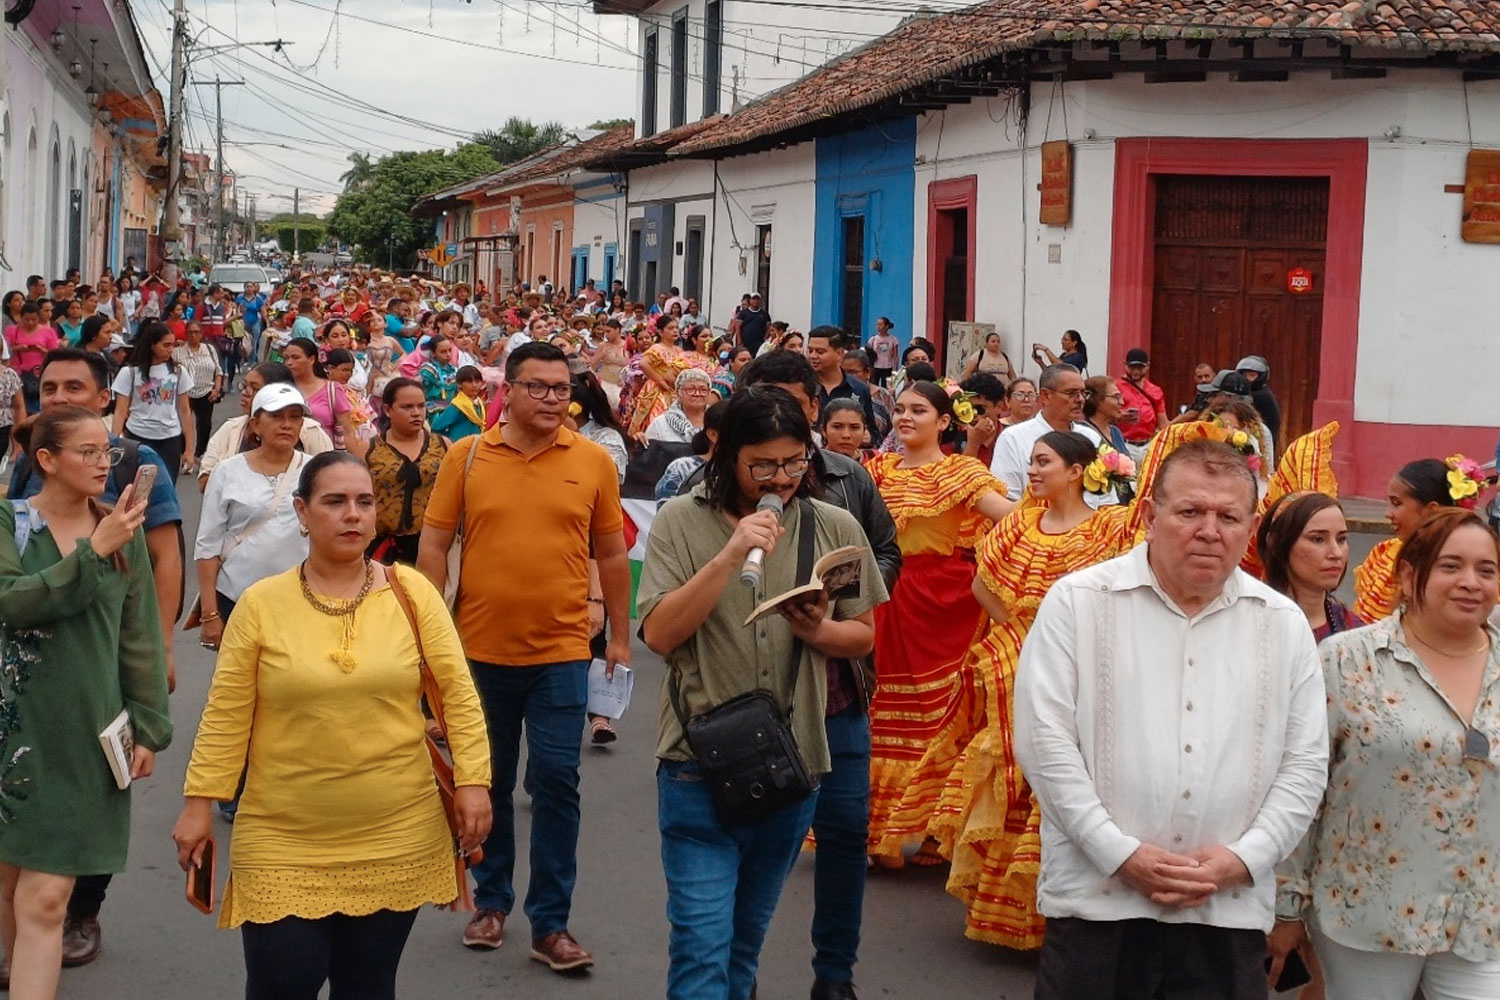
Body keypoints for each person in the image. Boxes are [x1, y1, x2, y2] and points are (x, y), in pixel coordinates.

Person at [1014, 438, 1329, 1000]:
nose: (1209, 529)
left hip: (1225, 910)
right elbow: (1046, 744)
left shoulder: (1281, 624)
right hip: (1097, 903)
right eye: (1190, 511)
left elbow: (1305, 765)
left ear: (1250, 526)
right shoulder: (1078, 603)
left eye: (1229, 516)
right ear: (1151, 513)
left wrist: (1242, 860)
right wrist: (1119, 853)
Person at [172, 452, 492, 1000]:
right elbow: (226, 714)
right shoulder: (260, 605)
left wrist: (474, 783)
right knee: (281, 984)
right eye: (335, 502)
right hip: (282, 835)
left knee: (367, 986)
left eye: (364, 502)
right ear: (302, 511)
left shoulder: (412, 594)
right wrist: (200, 803)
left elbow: (459, 696)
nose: (353, 515)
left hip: (395, 830)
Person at [639, 385, 888, 1000]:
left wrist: (819, 629)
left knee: (742, 953)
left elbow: (862, 635)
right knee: (700, 953)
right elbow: (662, 635)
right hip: (697, 766)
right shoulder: (679, 517)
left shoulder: (834, 523)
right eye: (763, 466)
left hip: (791, 763)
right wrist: (729, 555)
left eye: (794, 462)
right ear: (726, 455)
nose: (780, 478)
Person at [417, 342, 631, 972]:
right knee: (489, 780)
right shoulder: (469, 455)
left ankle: (552, 923)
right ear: (504, 391)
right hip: (476, 654)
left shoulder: (593, 460)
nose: (551, 400)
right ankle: (492, 901)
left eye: (561, 390)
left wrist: (618, 635)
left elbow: (614, 555)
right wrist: (431, 634)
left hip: (563, 652)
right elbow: (433, 546)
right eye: (537, 388)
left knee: (559, 782)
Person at [1271, 507, 1500, 1000]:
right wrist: (1286, 903)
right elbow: (1303, 785)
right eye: (1450, 566)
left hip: (1481, 919)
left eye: (1486, 570)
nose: (1470, 583)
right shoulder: (1347, 661)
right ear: (1410, 574)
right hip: (1367, 916)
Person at [0, 405, 171, 1000]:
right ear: (46, 460)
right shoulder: (9, 523)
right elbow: (13, 603)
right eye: (89, 453)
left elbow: (139, 635)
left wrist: (148, 725)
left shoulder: (122, 530)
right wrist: (92, 551)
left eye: (109, 453)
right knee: (11, 890)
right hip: (13, 733)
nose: (105, 464)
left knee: (46, 899)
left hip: (86, 738)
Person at [866, 381, 1014, 866]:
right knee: (880, 709)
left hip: (940, 602)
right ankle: (881, 830)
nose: (906, 417)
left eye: (919, 410)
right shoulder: (876, 470)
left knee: (942, 712)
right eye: (901, 409)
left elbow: (1011, 520)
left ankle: (934, 829)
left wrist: (1071, 505)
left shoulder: (960, 473)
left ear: (945, 422)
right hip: (885, 594)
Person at [194, 384, 314, 652]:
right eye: (276, 416)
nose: (286, 424)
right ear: (256, 425)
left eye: (295, 417)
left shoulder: (315, 470)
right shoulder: (227, 471)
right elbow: (207, 544)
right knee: (238, 685)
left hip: (301, 601)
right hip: (237, 598)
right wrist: (210, 613)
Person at [197, 362, 334, 490]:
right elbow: (205, 482)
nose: (245, 392)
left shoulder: (311, 432)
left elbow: (330, 482)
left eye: (254, 388)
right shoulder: (230, 429)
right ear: (255, 425)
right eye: (245, 386)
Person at [1354, 458, 1461, 622]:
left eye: (1397, 503)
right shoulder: (1383, 553)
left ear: (1431, 510)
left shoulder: (1459, 563)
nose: (1388, 513)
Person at [1257, 491, 1362, 640]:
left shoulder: (1354, 632)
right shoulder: (1247, 626)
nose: (1336, 553)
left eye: (1341, 539)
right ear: (1274, 543)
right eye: (1318, 539)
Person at [367, 378, 449, 566]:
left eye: (421, 406)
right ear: (388, 410)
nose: (416, 413)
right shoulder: (369, 450)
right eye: (407, 407)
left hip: (433, 546)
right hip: (383, 548)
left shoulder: (444, 446)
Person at [988, 364, 1094, 499]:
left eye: (1083, 393)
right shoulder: (1013, 437)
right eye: (1071, 393)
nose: (1080, 400)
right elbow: (1006, 497)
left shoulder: (1091, 437)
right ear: (1046, 396)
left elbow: (1106, 499)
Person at [111, 321, 194, 477]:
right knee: (139, 486)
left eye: (173, 345)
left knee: (166, 486)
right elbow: (120, 411)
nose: (171, 349)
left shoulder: (178, 371)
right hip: (138, 435)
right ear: (152, 345)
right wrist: (114, 443)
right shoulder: (130, 372)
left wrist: (189, 449)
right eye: (166, 345)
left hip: (170, 438)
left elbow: (185, 410)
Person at [284, 338, 361, 455]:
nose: (289, 362)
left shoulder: (332, 390)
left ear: (311, 359)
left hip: (323, 459)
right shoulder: (282, 389)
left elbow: (348, 431)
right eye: (287, 358)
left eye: (295, 358)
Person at [172, 320, 224, 476]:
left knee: (204, 424)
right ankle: (184, 454)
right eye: (190, 332)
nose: (193, 335)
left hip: (205, 390)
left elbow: (218, 371)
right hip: (184, 393)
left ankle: (199, 454)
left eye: (196, 332)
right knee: (183, 424)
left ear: (201, 334)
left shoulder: (209, 349)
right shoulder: (177, 352)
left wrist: (217, 389)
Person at [807, 327, 878, 436]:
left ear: (839, 353)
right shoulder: (803, 386)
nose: (813, 356)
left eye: (820, 352)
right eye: (810, 350)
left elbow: (873, 432)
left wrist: (868, 438)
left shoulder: (859, 388)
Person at [1116, 347, 1168, 460]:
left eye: (1140, 367)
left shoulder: (1155, 390)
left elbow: (1162, 422)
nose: (1136, 371)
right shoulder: (1115, 387)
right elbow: (1105, 415)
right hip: (1124, 444)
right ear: (1125, 365)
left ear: (1147, 366)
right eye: (1132, 367)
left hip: (1148, 444)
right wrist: (1121, 416)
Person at [7, 303, 59, 414]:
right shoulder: (12, 330)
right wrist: (17, 348)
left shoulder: (48, 332)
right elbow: (5, 350)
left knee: (37, 403)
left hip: (39, 372)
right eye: (27, 319)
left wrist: (42, 351)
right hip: (17, 372)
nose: (30, 323)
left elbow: (55, 354)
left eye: (34, 319)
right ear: (21, 318)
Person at [646, 368, 714, 445]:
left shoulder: (718, 422)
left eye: (703, 390)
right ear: (678, 393)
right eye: (691, 389)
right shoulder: (660, 424)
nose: (697, 393)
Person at [1235, 355, 1281, 454]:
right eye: (1243, 375)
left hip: (1260, 443)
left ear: (1261, 377)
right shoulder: (1245, 393)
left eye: (1251, 375)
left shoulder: (1262, 395)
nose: (1246, 379)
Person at [959, 373, 1007, 466]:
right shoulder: (953, 438)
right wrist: (973, 444)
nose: (973, 415)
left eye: (979, 409)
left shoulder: (1012, 439)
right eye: (967, 409)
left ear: (999, 407)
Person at [430, 365, 486, 442]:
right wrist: (449, 440)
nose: (474, 385)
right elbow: (437, 427)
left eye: (477, 381)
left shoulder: (479, 403)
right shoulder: (458, 405)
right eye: (470, 382)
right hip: (459, 446)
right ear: (459, 384)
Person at [1082, 375, 1130, 454]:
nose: (1122, 402)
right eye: (1116, 397)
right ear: (1097, 401)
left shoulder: (1115, 432)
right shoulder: (1084, 433)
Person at [821, 397, 872, 463]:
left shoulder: (878, 462)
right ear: (824, 431)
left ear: (864, 431)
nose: (846, 435)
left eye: (854, 428)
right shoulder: (812, 465)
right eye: (837, 427)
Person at [866, 316, 900, 386]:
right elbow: (869, 354)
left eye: (880, 325)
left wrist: (895, 369)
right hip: (875, 367)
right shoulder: (873, 339)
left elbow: (895, 355)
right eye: (877, 324)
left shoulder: (893, 340)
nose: (878, 327)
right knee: (873, 386)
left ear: (886, 326)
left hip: (887, 367)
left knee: (886, 387)